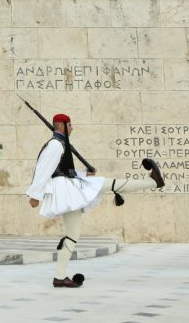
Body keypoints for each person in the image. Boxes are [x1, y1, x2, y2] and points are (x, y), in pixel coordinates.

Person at [26, 113, 165, 288]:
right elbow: (42, 170)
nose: (72, 128)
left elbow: (65, 169)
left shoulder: (61, 143)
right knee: (108, 184)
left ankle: (59, 277)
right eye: (69, 125)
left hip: (69, 186)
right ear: (61, 126)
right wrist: (35, 195)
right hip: (65, 189)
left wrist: (85, 173)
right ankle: (153, 181)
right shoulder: (55, 145)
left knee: (72, 235)